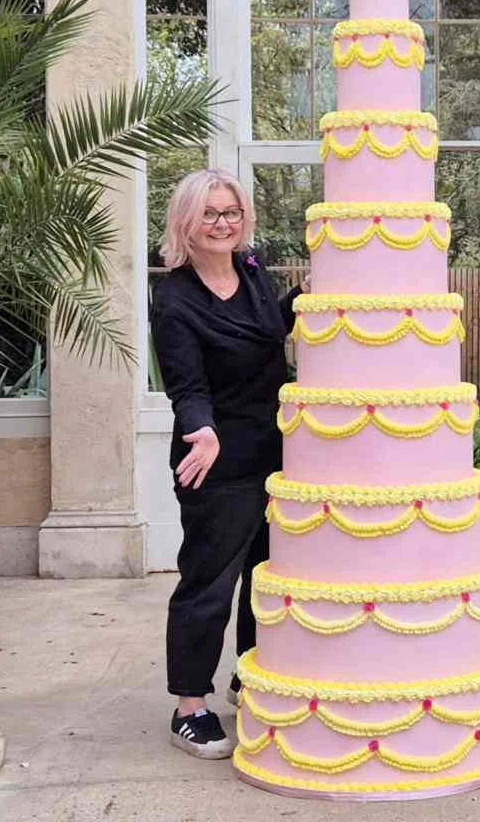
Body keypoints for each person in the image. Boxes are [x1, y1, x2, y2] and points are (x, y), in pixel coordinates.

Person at [151, 168, 304, 759]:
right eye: (211, 214)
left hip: (276, 451)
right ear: (187, 223)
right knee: (209, 583)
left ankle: (249, 676)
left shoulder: (253, 272)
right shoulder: (175, 299)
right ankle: (189, 706)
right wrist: (201, 431)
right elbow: (186, 385)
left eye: (232, 212)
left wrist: (308, 294)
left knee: (265, 575)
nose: (223, 223)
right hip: (214, 458)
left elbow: (270, 331)